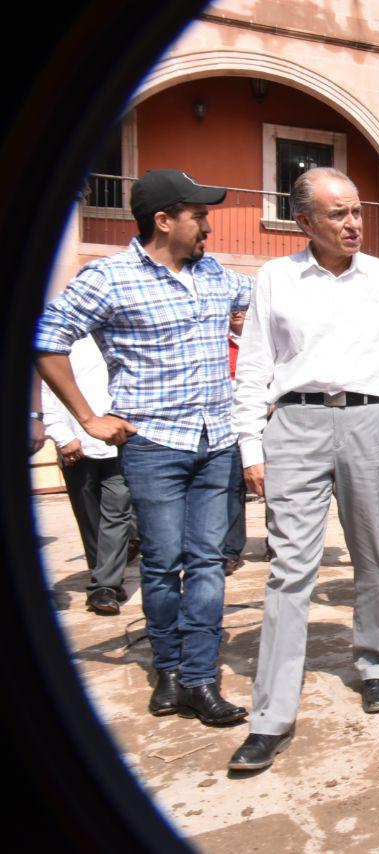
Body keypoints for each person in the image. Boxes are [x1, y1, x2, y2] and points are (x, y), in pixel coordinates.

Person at [228, 167, 379, 771]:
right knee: (288, 568)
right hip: (294, 425)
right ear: (305, 223)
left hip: (372, 423)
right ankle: (271, 715)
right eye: (338, 214)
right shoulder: (275, 278)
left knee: (374, 554)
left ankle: (375, 664)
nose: (354, 224)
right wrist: (251, 446)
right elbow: (254, 367)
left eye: (357, 211)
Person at [35, 168, 252, 726]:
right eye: (198, 215)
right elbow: (45, 339)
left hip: (216, 442)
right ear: (163, 220)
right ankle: (169, 669)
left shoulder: (216, 275)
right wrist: (87, 417)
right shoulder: (107, 278)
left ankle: (197, 679)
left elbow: (274, 300)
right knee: (160, 564)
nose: (207, 225)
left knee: (207, 563)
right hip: (153, 444)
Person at [41, 336, 133, 615]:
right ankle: (104, 576)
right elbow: (46, 392)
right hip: (77, 446)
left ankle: (105, 583)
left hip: (120, 445)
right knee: (89, 518)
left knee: (117, 512)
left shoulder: (125, 340)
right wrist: (63, 437)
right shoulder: (65, 344)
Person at [223, 308, 248, 575]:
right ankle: (230, 550)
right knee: (233, 488)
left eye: (243, 307)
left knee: (277, 488)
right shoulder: (221, 343)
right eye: (232, 309)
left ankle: (275, 544)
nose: (237, 313)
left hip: (272, 417)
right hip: (231, 425)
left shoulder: (263, 336)